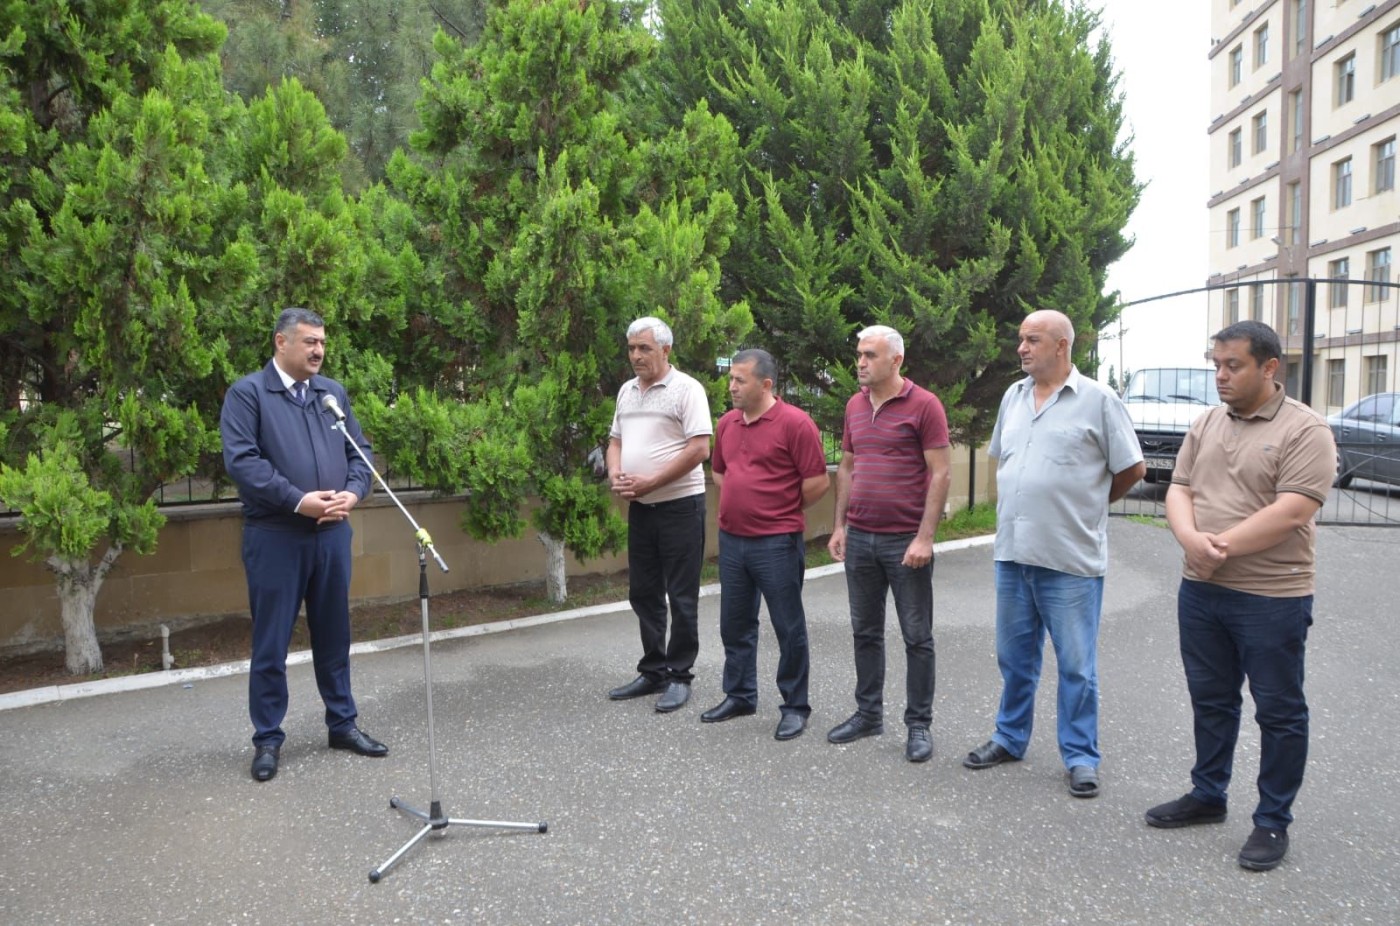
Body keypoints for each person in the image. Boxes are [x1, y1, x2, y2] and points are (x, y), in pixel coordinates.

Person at [1146, 320, 1335, 872]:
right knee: (1212, 699)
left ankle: (1272, 820)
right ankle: (1208, 794)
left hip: (1271, 597)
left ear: (1269, 367)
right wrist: (1188, 540)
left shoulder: (1307, 430)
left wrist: (1216, 546)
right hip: (1202, 592)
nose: (1220, 376)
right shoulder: (1206, 422)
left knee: (1278, 712)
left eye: (1233, 366)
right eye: (1216, 365)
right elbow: (1178, 488)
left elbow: (1293, 510)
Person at [962, 310, 1145, 798]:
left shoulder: (1098, 401)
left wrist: (1089, 505)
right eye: (1020, 338)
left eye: (1032, 340)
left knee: (1076, 665)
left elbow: (1131, 469)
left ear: (1062, 346)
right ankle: (1009, 736)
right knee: (1015, 658)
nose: (1021, 348)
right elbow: (1005, 458)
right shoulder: (1013, 397)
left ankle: (1081, 756)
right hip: (1014, 554)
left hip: (1070, 560)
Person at [220, 307, 388, 783]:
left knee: (335, 634)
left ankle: (343, 723)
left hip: (332, 535)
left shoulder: (331, 394)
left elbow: (361, 453)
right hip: (277, 537)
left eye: (322, 343)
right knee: (271, 641)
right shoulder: (249, 394)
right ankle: (268, 739)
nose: (318, 350)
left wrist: (354, 493)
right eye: (309, 342)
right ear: (281, 342)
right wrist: (298, 502)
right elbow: (243, 463)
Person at [826, 325, 951, 763]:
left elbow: (940, 473)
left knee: (917, 636)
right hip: (860, 538)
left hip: (905, 542)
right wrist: (839, 526)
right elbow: (847, 466)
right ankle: (868, 714)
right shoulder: (854, 406)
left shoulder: (924, 405)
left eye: (870, 355)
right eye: (859, 354)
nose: (861, 362)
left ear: (896, 360)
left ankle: (919, 724)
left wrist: (925, 537)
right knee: (865, 632)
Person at [703, 349, 830, 740]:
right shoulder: (727, 424)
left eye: (740, 380)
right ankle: (740, 694)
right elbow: (720, 473)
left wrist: (776, 509)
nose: (732, 386)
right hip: (733, 541)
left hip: (776, 542)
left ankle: (794, 705)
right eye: (731, 379)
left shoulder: (796, 423)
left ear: (766, 384)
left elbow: (818, 482)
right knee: (735, 624)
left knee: (788, 627)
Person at [605, 316, 713, 713]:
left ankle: (680, 675)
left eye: (644, 348)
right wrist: (616, 471)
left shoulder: (687, 390)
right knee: (643, 592)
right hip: (642, 509)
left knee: (681, 595)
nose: (636, 355)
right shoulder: (626, 392)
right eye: (632, 348)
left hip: (681, 507)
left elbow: (699, 449)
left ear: (665, 350)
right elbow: (615, 440)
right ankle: (654, 670)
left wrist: (650, 482)